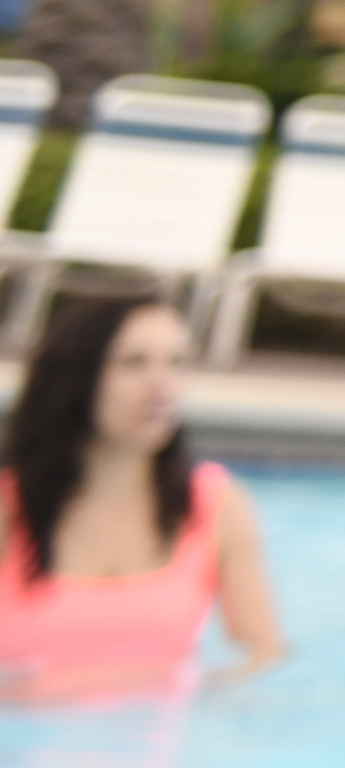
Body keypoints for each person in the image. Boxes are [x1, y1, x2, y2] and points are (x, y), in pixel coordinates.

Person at [2, 291, 288, 697]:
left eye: (176, 364)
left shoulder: (216, 504)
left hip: (153, 749)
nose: (161, 385)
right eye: (133, 363)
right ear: (74, 379)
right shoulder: (9, 509)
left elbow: (264, 654)